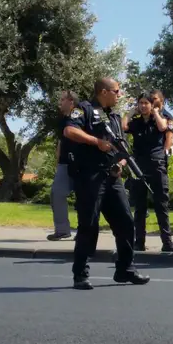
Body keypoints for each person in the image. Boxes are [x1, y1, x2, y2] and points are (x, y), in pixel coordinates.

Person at [63, 78, 150, 290]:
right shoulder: (83, 109)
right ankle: (80, 274)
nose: (119, 95)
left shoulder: (114, 116)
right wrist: (97, 142)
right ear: (104, 91)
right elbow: (69, 131)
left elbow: (122, 147)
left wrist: (120, 163)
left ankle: (125, 269)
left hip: (112, 177)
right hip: (90, 177)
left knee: (126, 222)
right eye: (116, 91)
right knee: (89, 224)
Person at [122, 92, 173, 252]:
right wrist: (130, 113)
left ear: (152, 105)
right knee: (140, 206)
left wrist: (155, 112)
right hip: (139, 166)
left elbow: (163, 127)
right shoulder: (136, 122)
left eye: (146, 103)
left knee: (161, 204)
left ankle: (167, 242)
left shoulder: (161, 119)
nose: (143, 106)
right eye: (141, 103)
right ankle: (139, 242)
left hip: (156, 164)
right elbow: (123, 127)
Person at [47, 90, 79, 241]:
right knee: (56, 194)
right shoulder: (62, 120)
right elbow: (61, 142)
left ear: (71, 101)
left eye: (62, 99)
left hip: (81, 164)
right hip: (64, 164)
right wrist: (58, 162)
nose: (59, 102)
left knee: (84, 198)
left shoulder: (79, 116)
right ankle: (62, 230)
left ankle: (85, 232)